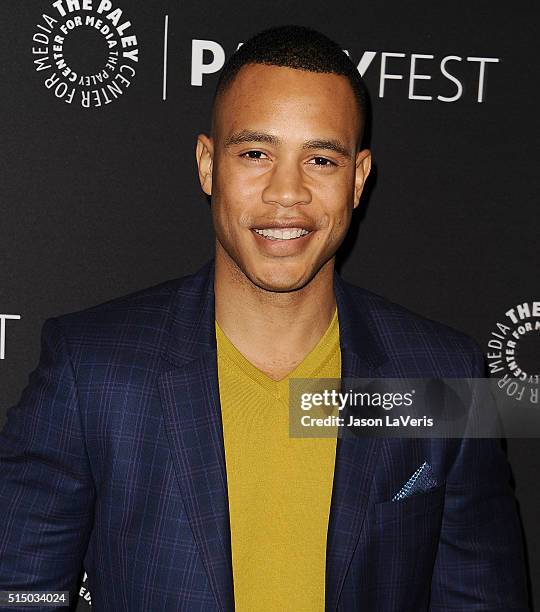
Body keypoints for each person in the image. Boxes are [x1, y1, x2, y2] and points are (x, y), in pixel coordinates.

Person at [0, 25, 529, 611]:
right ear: (207, 166)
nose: (287, 192)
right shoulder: (92, 367)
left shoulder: (443, 375)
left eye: (321, 159)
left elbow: (483, 599)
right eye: (256, 153)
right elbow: (23, 589)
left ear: (357, 179)